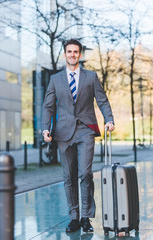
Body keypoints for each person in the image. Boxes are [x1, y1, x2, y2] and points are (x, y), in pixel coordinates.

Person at [42, 39, 115, 233]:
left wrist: (109, 119)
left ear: (80, 55)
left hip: (86, 130)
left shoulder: (91, 77)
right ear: (65, 54)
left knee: (85, 173)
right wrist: (45, 129)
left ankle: (86, 218)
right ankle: (73, 217)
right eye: (69, 51)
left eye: (76, 52)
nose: (72, 54)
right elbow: (48, 106)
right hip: (63, 133)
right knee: (69, 177)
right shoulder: (55, 79)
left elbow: (102, 100)